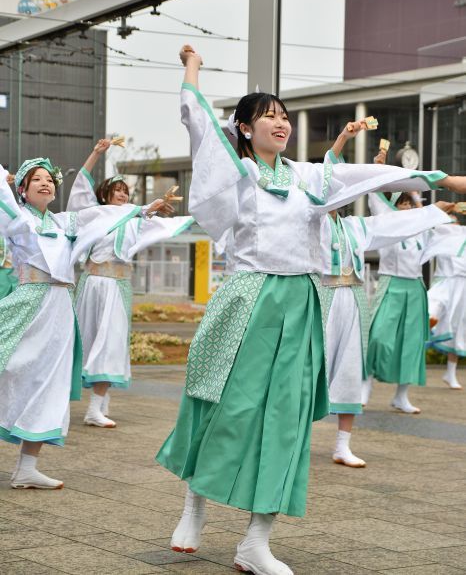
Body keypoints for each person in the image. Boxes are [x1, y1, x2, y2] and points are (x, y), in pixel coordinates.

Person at [156, 45, 466, 575]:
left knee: (287, 420)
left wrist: (440, 183)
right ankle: (195, 505)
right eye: (267, 116)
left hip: (302, 304)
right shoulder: (239, 174)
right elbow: (198, 119)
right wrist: (192, 68)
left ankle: (256, 541)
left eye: (283, 116)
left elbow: (375, 179)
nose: (280, 123)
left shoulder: (308, 177)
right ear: (246, 130)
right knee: (223, 406)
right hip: (248, 301)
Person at [0, 158, 167, 489]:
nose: (46, 183)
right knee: (10, 368)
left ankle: (26, 467)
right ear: (22, 188)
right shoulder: (16, 217)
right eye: (37, 180)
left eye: (49, 179)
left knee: (51, 383)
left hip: (60, 308)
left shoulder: (65, 222)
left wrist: (144, 209)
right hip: (27, 302)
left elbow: (103, 216)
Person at [318, 140, 453, 467]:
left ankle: (342, 444)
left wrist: (437, 210)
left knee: (351, 364)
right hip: (319, 299)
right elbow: (337, 175)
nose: (342, 195)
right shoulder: (312, 223)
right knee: (309, 367)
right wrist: (346, 143)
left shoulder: (355, 227)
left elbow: (394, 223)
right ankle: (288, 436)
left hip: (353, 299)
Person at [67, 140, 193, 427]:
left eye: (125, 191)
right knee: (84, 341)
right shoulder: (93, 216)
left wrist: (153, 208)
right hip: (92, 284)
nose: (122, 195)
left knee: (111, 343)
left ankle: (96, 406)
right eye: (116, 191)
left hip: (117, 286)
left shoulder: (134, 220)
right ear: (104, 196)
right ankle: (86, 401)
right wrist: (97, 153)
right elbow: (79, 190)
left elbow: (152, 219)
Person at [362, 152, 457, 413]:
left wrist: (423, 200)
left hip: (415, 287)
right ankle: (365, 385)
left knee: (411, 342)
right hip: (392, 283)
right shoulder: (388, 222)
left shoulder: (423, 226)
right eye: (401, 203)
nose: (406, 208)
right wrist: (377, 167)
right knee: (379, 338)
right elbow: (376, 198)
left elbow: (449, 231)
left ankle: (401, 395)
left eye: (409, 204)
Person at [426, 214, 466, 389]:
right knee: (428, 314)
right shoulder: (437, 236)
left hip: (462, 286)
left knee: (458, 328)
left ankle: (450, 373)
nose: (452, 225)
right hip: (443, 282)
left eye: (454, 222)